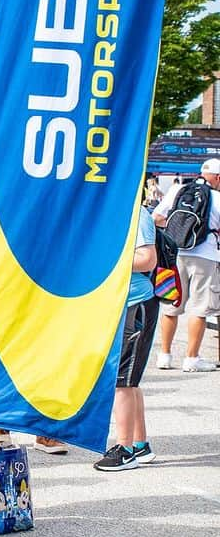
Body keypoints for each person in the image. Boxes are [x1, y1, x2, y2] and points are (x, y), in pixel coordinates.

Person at [95, 196, 159, 471]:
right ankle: (139, 444)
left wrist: (108, 259)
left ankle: (125, 448)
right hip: (125, 303)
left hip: (136, 302)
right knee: (130, 380)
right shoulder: (116, 208)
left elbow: (147, 259)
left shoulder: (137, 213)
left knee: (123, 380)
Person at [152, 158, 220, 372]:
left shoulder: (177, 190)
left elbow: (156, 217)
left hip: (176, 253)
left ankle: (165, 355)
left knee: (172, 305)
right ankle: (192, 358)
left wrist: (177, 231)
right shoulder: (217, 197)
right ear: (218, 177)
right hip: (207, 256)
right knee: (199, 308)